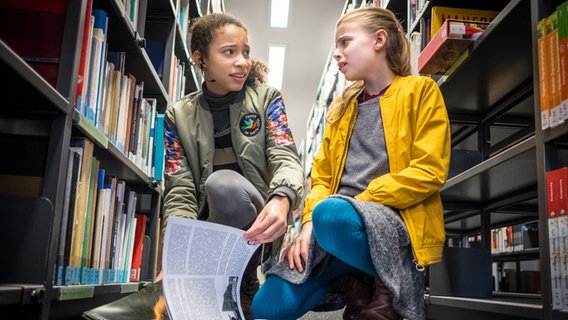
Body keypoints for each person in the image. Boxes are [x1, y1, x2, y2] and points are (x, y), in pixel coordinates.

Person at [252, 6, 451, 320]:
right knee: (267, 306)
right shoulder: (341, 108)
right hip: (335, 226)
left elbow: (429, 171)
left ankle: (387, 283)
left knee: (331, 213)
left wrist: (359, 203)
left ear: (379, 40)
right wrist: (306, 228)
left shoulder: (419, 91)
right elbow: (321, 178)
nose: (337, 53)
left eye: (345, 42)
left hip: (392, 222)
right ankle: (354, 282)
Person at [161, 12, 305, 319]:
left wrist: (282, 197)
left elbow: (286, 156)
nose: (242, 61)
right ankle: (217, 284)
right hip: (206, 228)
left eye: (246, 52)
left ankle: (239, 281)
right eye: (229, 52)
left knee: (222, 184)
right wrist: (174, 258)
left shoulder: (267, 100)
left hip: (259, 221)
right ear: (201, 60)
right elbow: (180, 190)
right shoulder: (178, 115)